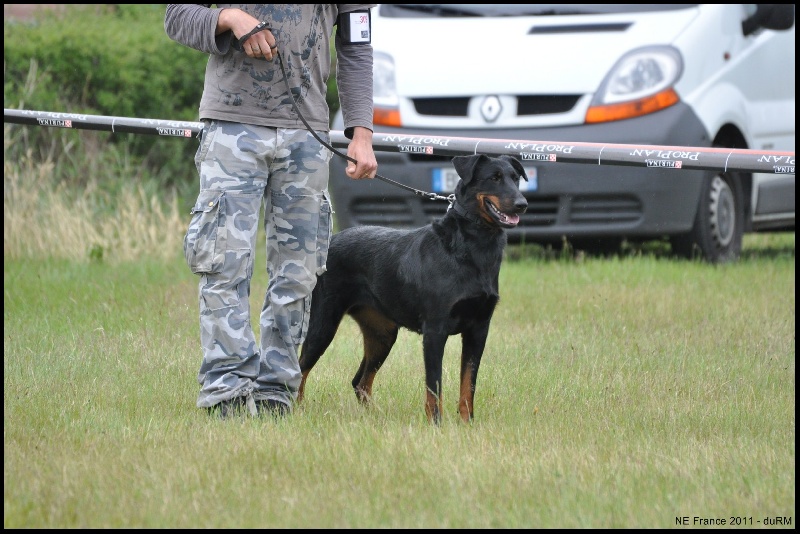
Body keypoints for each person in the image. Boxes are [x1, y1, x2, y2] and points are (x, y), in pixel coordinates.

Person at [164, 4, 378, 418]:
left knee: (299, 271)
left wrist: (361, 131)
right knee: (224, 262)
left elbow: (356, 46)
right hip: (232, 127)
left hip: (307, 132)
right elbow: (176, 16)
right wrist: (228, 18)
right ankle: (226, 392)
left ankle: (276, 392)